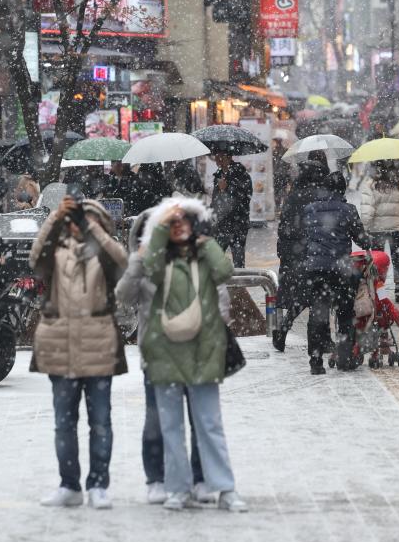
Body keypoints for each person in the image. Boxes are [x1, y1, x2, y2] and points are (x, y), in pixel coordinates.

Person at [115, 203, 231, 505]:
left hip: (197, 354)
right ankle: (158, 477)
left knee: (200, 420)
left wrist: (214, 333)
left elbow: (220, 295)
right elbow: (124, 296)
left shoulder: (192, 259)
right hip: (159, 355)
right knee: (159, 421)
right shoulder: (148, 264)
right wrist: (137, 259)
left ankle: (200, 477)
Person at [137, 197, 246, 511]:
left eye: (185, 219)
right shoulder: (161, 262)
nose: (179, 225)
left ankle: (224, 488)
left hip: (203, 353)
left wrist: (206, 241)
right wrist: (159, 226)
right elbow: (149, 267)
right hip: (165, 355)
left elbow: (225, 270)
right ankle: (177, 488)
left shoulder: (205, 257)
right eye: (173, 223)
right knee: (171, 427)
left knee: (209, 425)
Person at [29, 194, 128, 509]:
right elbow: (34, 259)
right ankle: (69, 485)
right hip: (62, 348)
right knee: (64, 422)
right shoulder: (55, 252)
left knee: (100, 421)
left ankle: (99, 484)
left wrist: (93, 228)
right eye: (75, 220)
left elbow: (122, 262)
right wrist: (55, 217)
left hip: (98, 347)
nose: (78, 225)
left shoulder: (104, 252)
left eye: (87, 219)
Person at [302, 171, 372, 374]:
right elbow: (361, 239)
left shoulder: (310, 209)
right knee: (344, 313)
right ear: (342, 190)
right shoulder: (348, 210)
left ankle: (316, 362)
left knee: (318, 313)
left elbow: (305, 235)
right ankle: (344, 358)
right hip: (341, 270)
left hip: (316, 269)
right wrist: (368, 241)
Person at [273, 154, 331, 352]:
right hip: (313, 252)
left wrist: (285, 250)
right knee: (319, 295)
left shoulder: (293, 195)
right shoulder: (319, 195)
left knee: (302, 295)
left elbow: (284, 226)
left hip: (293, 253)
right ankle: (319, 340)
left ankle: (284, 329)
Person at [360, 160, 399, 303]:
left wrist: (365, 227)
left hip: (378, 229)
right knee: (397, 257)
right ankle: (398, 288)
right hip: (397, 228)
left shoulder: (371, 185)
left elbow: (367, 210)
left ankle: (379, 289)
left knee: (378, 260)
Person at [211, 152, 252, 268]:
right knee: (216, 258)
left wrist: (226, 189)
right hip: (221, 224)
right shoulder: (218, 175)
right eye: (216, 157)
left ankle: (238, 285)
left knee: (238, 261)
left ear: (229, 157)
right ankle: (217, 284)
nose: (217, 160)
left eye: (220, 156)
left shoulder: (241, 175)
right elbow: (216, 201)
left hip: (237, 225)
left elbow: (243, 199)